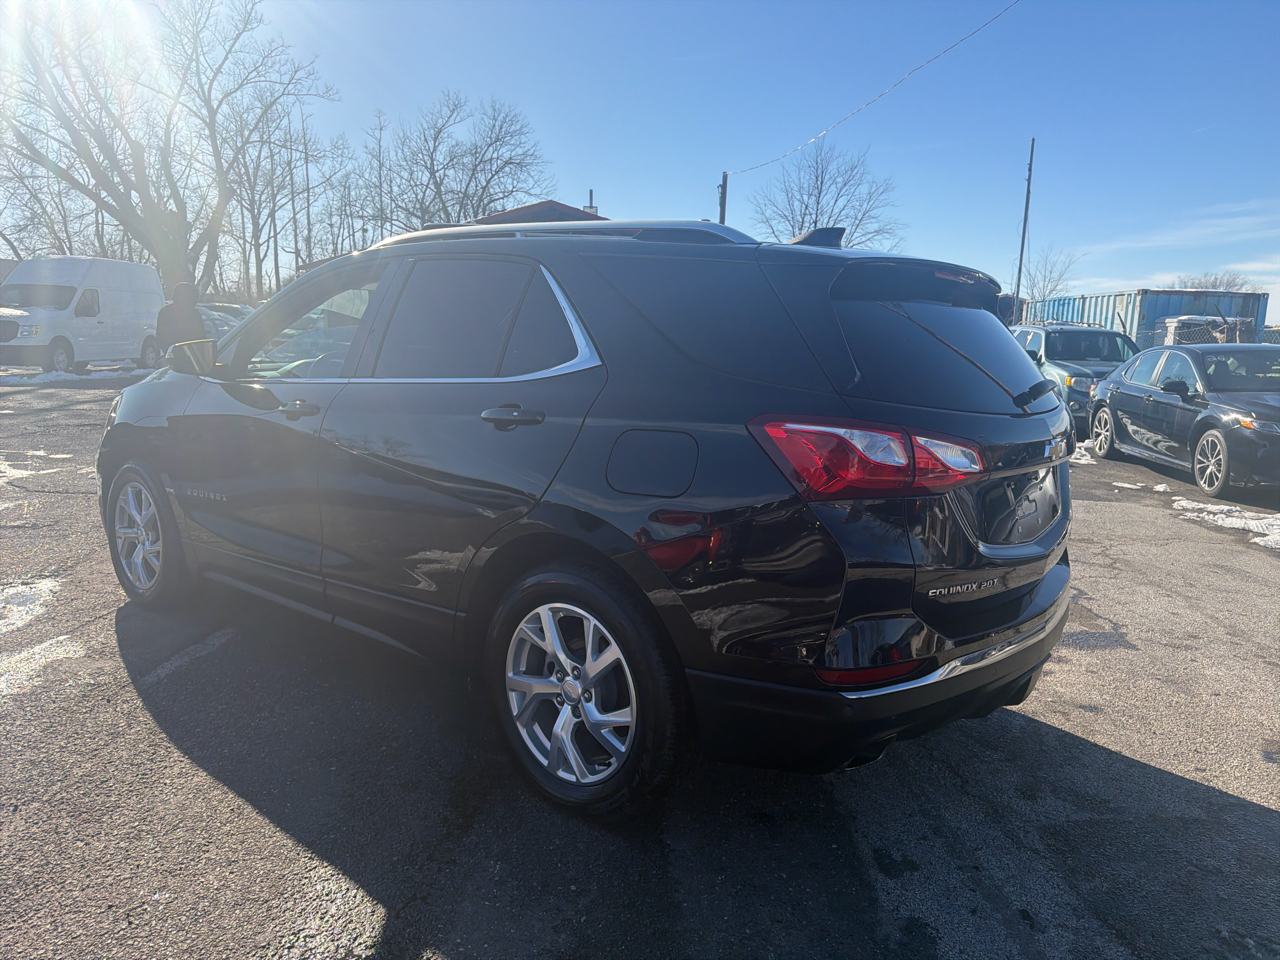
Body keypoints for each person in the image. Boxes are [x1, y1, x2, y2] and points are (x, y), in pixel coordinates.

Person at [155, 282, 205, 354]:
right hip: (178, 354)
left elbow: (201, 338)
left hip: (186, 355)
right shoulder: (167, 312)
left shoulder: (165, 311)